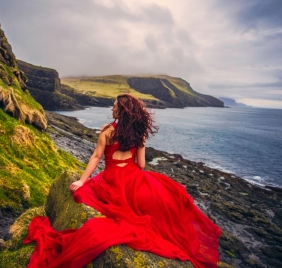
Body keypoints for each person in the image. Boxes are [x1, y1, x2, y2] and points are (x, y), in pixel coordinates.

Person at [24, 94, 222, 268]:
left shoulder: (107, 131)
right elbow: (142, 164)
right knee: (167, 199)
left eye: (114, 107)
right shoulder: (139, 134)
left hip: (110, 180)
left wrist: (83, 181)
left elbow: (95, 157)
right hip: (133, 178)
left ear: (121, 111)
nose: (111, 109)